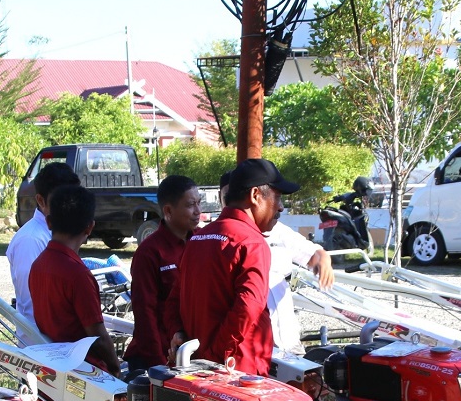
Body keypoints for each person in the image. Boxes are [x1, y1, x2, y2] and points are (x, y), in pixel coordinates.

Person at [166, 159, 295, 376]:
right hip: (236, 373)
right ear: (255, 195)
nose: (280, 207)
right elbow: (248, 307)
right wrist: (215, 355)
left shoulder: (199, 238)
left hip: (196, 366)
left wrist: (179, 333)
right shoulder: (251, 242)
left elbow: (173, 301)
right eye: (278, 197)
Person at [29, 184, 122, 377]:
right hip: (86, 372)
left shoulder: (38, 265)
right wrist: (115, 367)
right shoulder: (78, 274)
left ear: (48, 222)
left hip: (51, 367)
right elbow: (97, 336)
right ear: (90, 227)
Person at [123, 175, 202, 375]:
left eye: (199, 203)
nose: (197, 212)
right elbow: (145, 314)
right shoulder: (150, 252)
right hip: (155, 358)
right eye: (190, 205)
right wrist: (159, 366)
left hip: (190, 354)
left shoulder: (202, 242)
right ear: (168, 211)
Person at [6, 162, 80, 323]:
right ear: (41, 200)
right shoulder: (30, 241)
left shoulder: (61, 233)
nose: (69, 205)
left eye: (74, 197)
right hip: (41, 343)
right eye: (60, 199)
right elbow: (32, 305)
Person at [265, 221, 334, 354]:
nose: (280, 207)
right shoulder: (231, 232)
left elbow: (312, 253)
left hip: (288, 336)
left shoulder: (278, 230)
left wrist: (324, 259)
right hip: (258, 342)